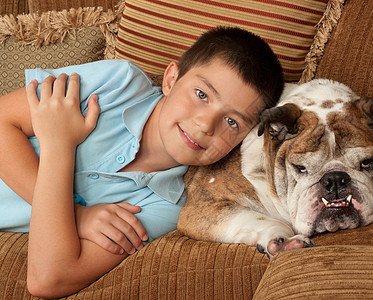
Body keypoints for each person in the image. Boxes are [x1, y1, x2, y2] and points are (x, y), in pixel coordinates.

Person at [0, 26, 284, 297]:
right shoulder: (117, 83)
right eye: (201, 95)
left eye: (232, 122)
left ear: (243, 140)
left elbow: (49, 279)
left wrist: (58, 143)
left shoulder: (168, 206)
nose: (206, 125)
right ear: (171, 79)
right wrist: (77, 214)